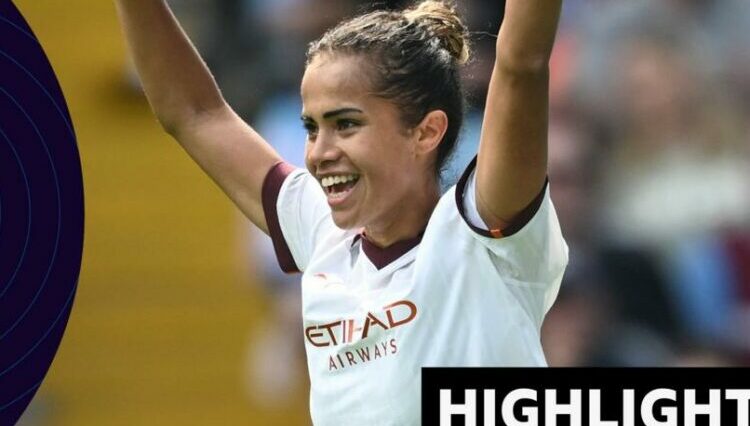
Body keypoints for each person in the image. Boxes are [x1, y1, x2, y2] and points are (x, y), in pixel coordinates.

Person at [115, 0, 567, 424]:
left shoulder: (487, 234)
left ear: (426, 132)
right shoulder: (319, 230)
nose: (318, 153)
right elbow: (194, 112)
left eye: (346, 124)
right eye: (311, 127)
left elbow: (521, 62)